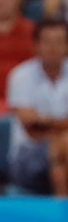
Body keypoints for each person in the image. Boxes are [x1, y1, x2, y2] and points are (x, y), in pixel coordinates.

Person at [5, 17, 68, 195]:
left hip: (61, 155)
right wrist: (63, 130)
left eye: (59, 41)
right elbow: (31, 128)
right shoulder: (21, 76)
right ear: (36, 45)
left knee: (60, 163)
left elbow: (39, 123)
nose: (52, 47)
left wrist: (46, 121)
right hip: (27, 155)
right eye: (46, 41)